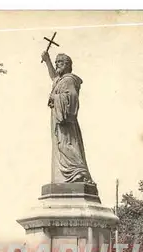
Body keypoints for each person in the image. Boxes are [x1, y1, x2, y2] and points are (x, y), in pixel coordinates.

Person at [41, 50, 94, 184]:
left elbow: (72, 98)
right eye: (56, 62)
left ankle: (79, 171)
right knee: (61, 146)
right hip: (59, 119)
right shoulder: (61, 80)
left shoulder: (69, 80)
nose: (57, 64)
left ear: (68, 65)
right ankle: (75, 173)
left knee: (66, 145)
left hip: (65, 120)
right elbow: (54, 78)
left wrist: (55, 97)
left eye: (60, 62)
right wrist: (47, 61)